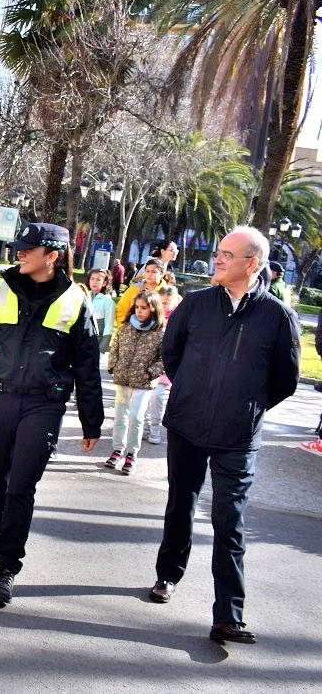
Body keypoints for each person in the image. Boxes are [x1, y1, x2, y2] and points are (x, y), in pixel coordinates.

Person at [0, 223, 103, 608]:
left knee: (22, 485)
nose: (20, 255)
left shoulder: (76, 299)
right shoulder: (1, 290)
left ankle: (7, 568)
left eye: (28, 249)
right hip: (1, 398)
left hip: (45, 404)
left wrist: (92, 420)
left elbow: (87, 365)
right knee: (1, 478)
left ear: (52, 255)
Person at [150, 227, 300, 645]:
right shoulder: (195, 304)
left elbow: (286, 380)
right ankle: (168, 575)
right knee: (181, 502)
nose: (217, 260)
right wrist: (194, 394)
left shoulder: (277, 316)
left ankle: (228, 616)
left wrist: (245, 406)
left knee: (229, 521)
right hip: (187, 425)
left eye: (227, 255)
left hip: (238, 435)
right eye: (218, 253)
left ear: (252, 264)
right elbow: (171, 354)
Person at [104, 290, 165, 476]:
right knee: (121, 416)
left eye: (144, 308)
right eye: (137, 307)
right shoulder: (126, 327)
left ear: (153, 308)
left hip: (143, 383)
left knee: (136, 417)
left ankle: (132, 453)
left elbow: (164, 357)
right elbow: (115, 347)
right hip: (123, 379)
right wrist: (114, 365)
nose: (139, 311)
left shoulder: (161, 331)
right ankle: (117, 449)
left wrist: (150, 373)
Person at [146, 285, 182, 446]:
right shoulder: (153, 317)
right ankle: (145, 428)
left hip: (167, 367)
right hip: (150, 365)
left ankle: (154, 428)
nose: (165, 305)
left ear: (174, 302)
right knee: (146, 399)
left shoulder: (179, 318)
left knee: (159, 398)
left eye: (168, 302)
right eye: (162, 302)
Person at [115, 257, 165, 329]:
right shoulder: (134, 289)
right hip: (130, 332)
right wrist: (124, 327)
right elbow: (121, 309)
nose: (150, 274)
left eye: (154, 272)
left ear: (162, 274)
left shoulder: (166, 292)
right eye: (147, 271)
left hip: (155, 334)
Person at [86, 268, 115, 355]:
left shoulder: (108, 302)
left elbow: (109, 327)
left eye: (98, 279)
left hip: (96, 342)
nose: (94, 282)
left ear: (104, 283)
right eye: (92, 279)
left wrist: (102, 349)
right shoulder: (84, 296)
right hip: (80, 341)